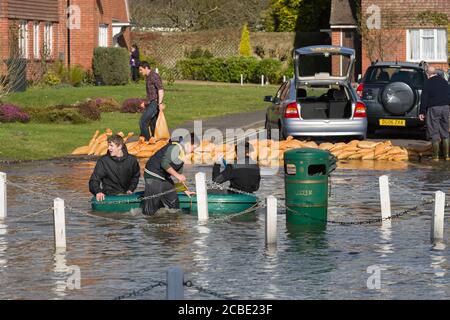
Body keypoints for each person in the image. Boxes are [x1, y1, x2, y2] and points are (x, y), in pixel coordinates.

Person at [142, 134, 197, 215]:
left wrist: (185, 190)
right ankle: (149, 222)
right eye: (194, 148)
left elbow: (178, 176)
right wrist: (178, 176)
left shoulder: (182, 154)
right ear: (188, 143)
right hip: (153, 174)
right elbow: (164, 164)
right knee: (151, 208)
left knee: (174, 205)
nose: (194, 151)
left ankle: (173, 222)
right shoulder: (175, 147)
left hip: (164, 177)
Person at [89, 135, 141, 201]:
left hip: (126, 195)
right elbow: (94, 180)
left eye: (111, 146)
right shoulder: (103, 161)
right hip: (109, 196)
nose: (109, 148)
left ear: (120, 146)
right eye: (108, 146)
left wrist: (131, 189)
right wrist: (98, 191)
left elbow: (135, 177)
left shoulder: (132, 160)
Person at [419, 66, 450, 161]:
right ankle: (447, 156)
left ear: (427, 74)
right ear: (436, 72)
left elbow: (424, 98)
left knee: (434, 131)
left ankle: (435, 156)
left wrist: (422, 112)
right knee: (445, 131)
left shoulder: (427, 83)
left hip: (434, 109)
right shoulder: (444, 82)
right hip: (446, 108)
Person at [138, 61, 165, 141]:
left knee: (143, 121)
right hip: (151, 103)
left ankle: (148, 140)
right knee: (153, 124)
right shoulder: (148, 76)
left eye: (141, 69)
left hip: (154, 103)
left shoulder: (154, 76)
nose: (140, 72)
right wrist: (146, 103)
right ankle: (154, 140)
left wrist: (160, 103)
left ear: (146, 68)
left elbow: (161, 90)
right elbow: (151, 94)